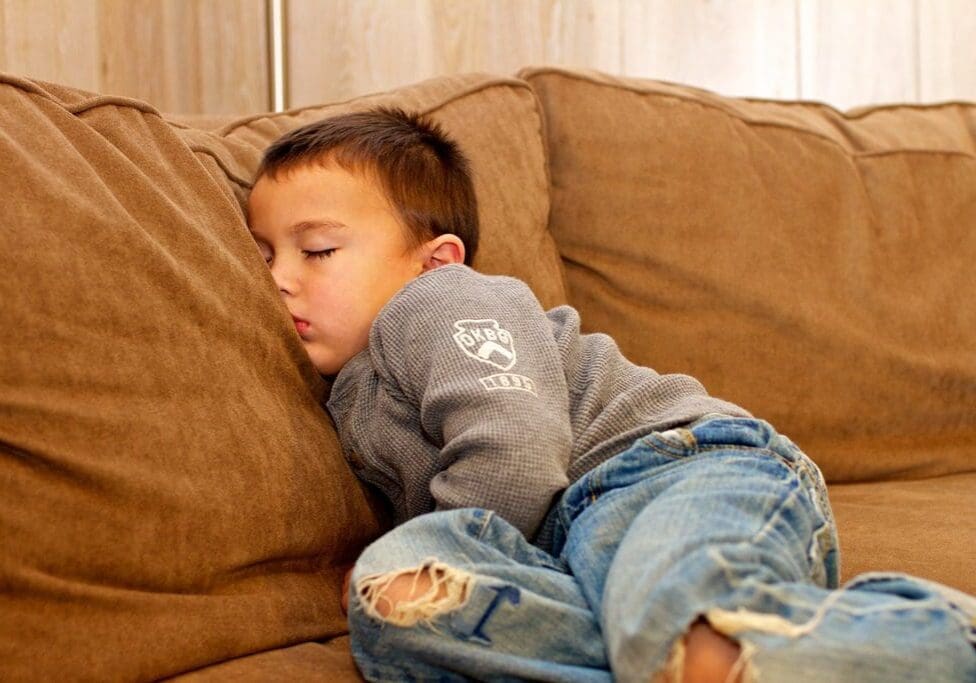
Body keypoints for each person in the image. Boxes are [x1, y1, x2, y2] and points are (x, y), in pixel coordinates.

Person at [246, 107, 976, 683]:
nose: (281, 276)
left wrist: (426, 540)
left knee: (676, 612)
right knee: (402, 607)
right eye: (266, 253)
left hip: (676, 471)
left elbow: (516, 455)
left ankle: (931, 640)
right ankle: (720, 654)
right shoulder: (350, 389)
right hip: (574, 549)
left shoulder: (440, 302)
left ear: (434, 259)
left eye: (317, 250)